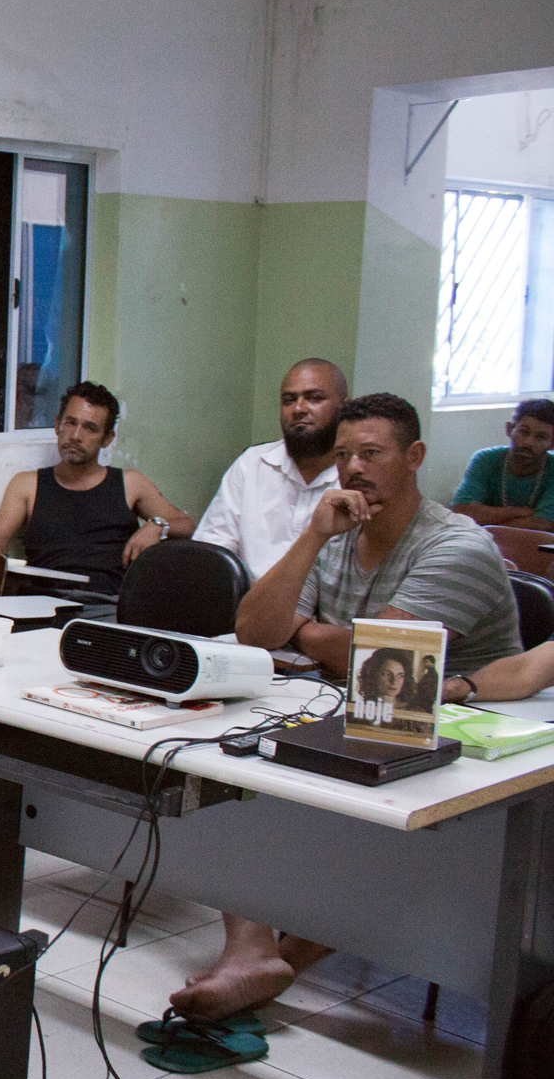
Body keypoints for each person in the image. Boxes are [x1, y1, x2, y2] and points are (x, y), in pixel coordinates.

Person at [175, 393, 521, 1020]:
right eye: (343, 457)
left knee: (336, 804)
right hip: (364, 719)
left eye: (371, 454)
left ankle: (275, 959)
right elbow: (255, 629)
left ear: (413, 458)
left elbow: (382, 660)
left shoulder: (457, 547)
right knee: (235, 761)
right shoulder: (337, 534)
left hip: (466, 747)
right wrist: (311, 536)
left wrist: (306, 631)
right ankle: (253, 950)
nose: (354, 470)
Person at [0, 382, 192, 596]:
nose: (75, 436)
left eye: (90, 428)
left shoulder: (130, 483)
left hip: (108, 605)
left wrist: (158, 526)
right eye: (70, 423)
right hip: (42, 604)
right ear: (57, 425)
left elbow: (188, 525)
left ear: (107, 438)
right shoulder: (27, 484)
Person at [193, 359, 348, 579]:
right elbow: (211, 554)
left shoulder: (356, 474)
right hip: (246, 606)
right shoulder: (253, 463)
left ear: (345, 407)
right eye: (288, 400)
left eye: (314, 398)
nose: (298, 409)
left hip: (324, 612)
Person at [450, 398, 554, 533]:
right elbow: (461, 511)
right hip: (481, 544)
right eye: (524, 432)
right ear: (510, 429)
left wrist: (485, 522)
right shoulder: (485, 459)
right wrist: (518, 512)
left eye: (540, 437)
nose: (528, 442)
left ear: (552, 444)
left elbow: (542, 524)